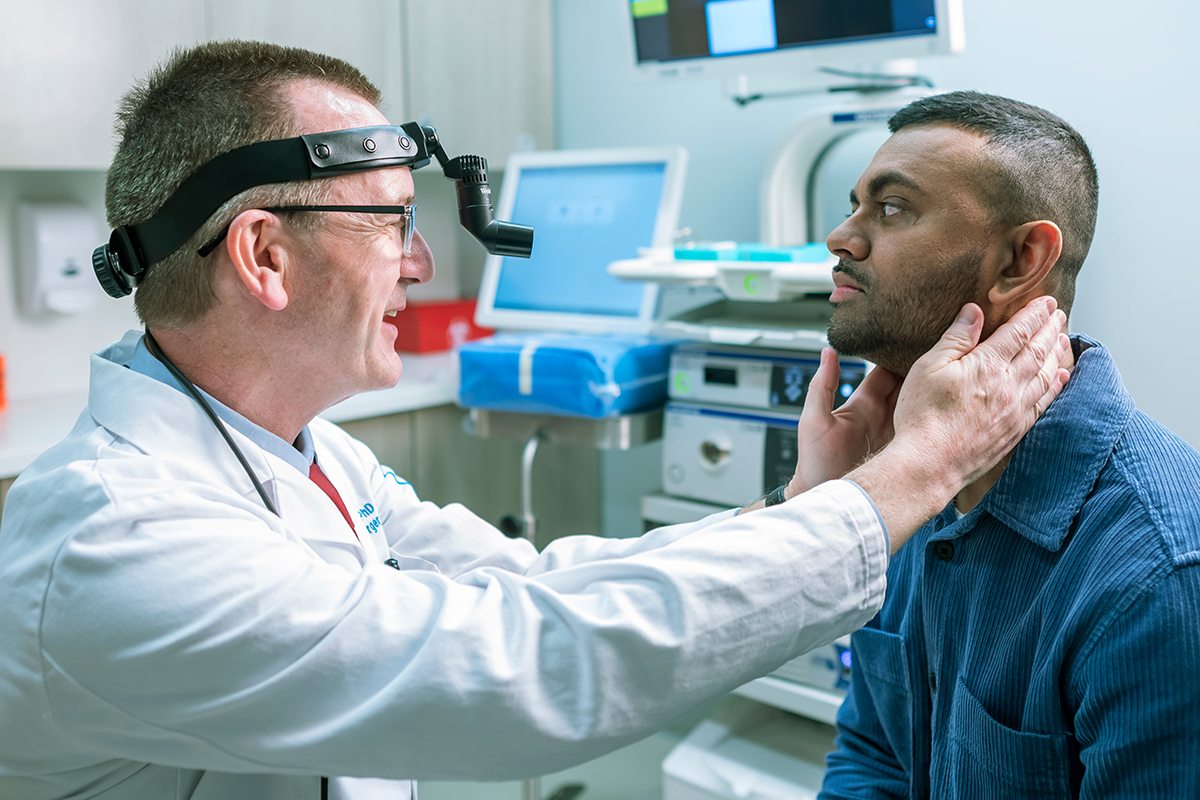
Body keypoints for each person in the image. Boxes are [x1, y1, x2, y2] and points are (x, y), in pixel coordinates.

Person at [0, 44, 1068, 800]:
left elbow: (537, 582)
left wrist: (817, 504)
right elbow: (518, 663)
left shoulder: (305, 452)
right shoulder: (115, 542)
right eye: (393, 223)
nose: (420, 262)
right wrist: (916, 473)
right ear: (266, 257)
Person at [815, 91, 1200, 799]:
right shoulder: (907, 485)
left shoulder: (1154, 572)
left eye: (892, 208)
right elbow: (874, 751)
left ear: (1021, 258)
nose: (843, 236)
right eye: (854, 205)